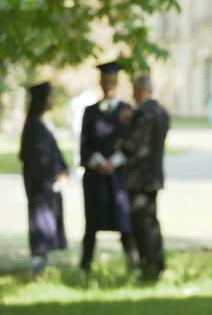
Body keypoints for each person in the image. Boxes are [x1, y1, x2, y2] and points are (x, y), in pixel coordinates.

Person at [79, 61, 138, 272]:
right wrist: (98, 161)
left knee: (124, 222)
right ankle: (85, 267)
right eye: (105, 80)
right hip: (95, 176)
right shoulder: (90, 111)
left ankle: (134, 265)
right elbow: (84, 144)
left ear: (117, 82)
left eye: (112, 80)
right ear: (100, 82)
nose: (108, 84)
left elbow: (133, 143)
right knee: (92, 223)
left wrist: (114, 161)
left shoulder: (127, 111)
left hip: (118, 175)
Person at [119, 74, 170, 281]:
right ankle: (159, 262)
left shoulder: (141, 113)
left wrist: (121, 139)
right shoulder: (163, 113)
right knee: (152, 220)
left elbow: (133, 146)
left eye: (133, 88)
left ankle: (149, 266)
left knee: (140, 223)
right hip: (154, 176)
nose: (132, 93)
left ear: (140, 90)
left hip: (138, 178)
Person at [19, 82, 68, 277]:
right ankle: (37, 270)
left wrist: (62, 169)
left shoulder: (39, 124)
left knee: (46, 226)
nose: (53, 100)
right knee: (40, 226)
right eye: (50, 97)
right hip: (41, 187)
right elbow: (39, 159)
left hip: (46, 186)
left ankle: (41, 268)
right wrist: (56, 174)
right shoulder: (34, 127)